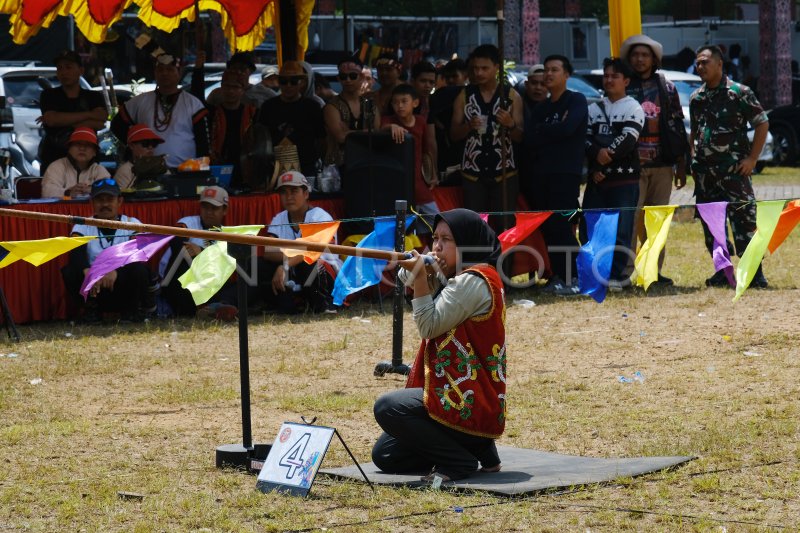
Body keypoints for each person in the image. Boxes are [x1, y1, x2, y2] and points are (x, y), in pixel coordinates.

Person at [371, 208, 506, 482]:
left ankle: (459, 463)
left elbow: (429, 325)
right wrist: (416, 268)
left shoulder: (473, 280)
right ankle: (478, 446)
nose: (437, 246)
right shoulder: (464, 275)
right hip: (462, 390)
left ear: (467, 242)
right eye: (435, 238)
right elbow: (407, 280)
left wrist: (421, 277)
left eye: (447, 239)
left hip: (468, 397)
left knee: (387, 407)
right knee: (385, 454)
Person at [690, 45, 770, 288]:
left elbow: (762, 123)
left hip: (734, 172)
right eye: (698, 63)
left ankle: (754, 273)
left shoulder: (739, 92)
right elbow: (694, 131)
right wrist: (693, 157)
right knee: (712, 228)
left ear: (719, 64)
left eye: (705, 62)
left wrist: (752, 159)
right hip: (705, 176)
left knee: (745, 222)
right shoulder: (697, 98)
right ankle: (722, 271)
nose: (700, 67)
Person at [621, 34, 688, 286]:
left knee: (657, 222)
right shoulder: (622, 84)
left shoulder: (667, 87)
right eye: (635, 55)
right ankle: (627, 273)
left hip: (662, 166)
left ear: (654, 59)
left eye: (645, 55)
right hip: (631, 167)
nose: (639, 59)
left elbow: (677, 125)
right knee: (630, 219)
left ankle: (653, 273)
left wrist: (681, 164)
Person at [582, 58, 645, 292]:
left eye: (614, 76)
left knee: (622, 230)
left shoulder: (633, 108)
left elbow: (629, 139)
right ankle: (594, 274)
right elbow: (585, 139)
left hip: (624, 181)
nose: (609, 80)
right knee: (591, 227)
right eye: (606, 75)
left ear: (626, 81)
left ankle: (617, 276)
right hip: (597, 181)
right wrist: (596, 161)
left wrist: (603, 158)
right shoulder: (593, 108)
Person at [529, 54, 588, 292]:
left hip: (566, 174)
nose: (549, 74)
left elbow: (568, 128)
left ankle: (574, 278)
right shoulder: (541, 107)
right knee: (549, 227)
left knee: (562, 226)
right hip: (542, 176)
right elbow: (533, 137)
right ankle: (559, 276)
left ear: (567, 75)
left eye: (555, 69)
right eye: (546, 70)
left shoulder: (576, 100)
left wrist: (547, 131)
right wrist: (552, 130)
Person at [61, 179, 158, 323]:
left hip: (122, 283)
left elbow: (138, 254)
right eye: (100, 200)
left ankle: (132, 311)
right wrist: (88, 272)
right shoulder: (82, 224)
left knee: (139, 269)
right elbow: (76, 253)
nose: (105, 204)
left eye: (110, 199)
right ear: (92, 203)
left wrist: (116, 271)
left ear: (120, 201)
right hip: (95, 286)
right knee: (69, 270)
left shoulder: (132, 223)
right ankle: (90, 310)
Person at [451, 44, 523, 233]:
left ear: (496, 68)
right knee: (474, 225)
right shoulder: (464, 96)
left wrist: (510, 124)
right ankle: (476, 263)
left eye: (484, 68)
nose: (479, 73)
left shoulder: (512, 95)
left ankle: (505, 263)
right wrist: (468, 127)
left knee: (505, 227)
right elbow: (453, 134)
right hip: (472, 173)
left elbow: (522, 137)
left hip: (505, 171)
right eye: (475, 68)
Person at [259, 171, 341, 313]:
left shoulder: (320, 216)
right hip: (294, 273)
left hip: (326, 275)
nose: (289, 197)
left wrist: (285, 264)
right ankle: (286, 305)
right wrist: (293, 257)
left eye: (294, 191)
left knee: (312, 263)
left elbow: (312, 251)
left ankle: (325, 305)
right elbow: (268, 251)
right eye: (284, 192)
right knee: (258, 265)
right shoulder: (280, 218)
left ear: (306, 194)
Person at [112, 53, 209, 169]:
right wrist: (135, 144)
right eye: (160, 69)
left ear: (179, 73)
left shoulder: (193, 103)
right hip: (148, 170)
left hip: (185, 172)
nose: (165, 73)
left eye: (170, 69)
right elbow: (116, 125)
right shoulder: (139, 102)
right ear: (155, 73)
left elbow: (202, 142)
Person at [158, 186, 238, 320]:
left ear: (225, 210)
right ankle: (205, 308)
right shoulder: (188, 222)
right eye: (205, 207)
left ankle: (213, 308)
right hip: (175, 283)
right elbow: (177, 241)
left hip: (207, 286)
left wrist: (201, 252)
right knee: (184, 253)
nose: (209, 212)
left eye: (214, 208)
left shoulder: (228, 234)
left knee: (243, 278)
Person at [37, 50, 107, 174]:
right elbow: (52, 120)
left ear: (81, 70)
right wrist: (89, 115)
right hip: (54, 157)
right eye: (60, 68)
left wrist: (63, 120)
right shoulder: (49, 95)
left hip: (87, 160)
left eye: (69, 67)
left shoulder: (93, 96)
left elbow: (100, 122)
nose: (64, 72)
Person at [258, 61, 326, 182]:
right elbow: (261, 138)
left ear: (302, 83)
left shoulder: (312, 107)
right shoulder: (268, 107)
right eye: (283, 81)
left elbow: (321, 139)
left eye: (293, 81)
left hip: (306, 167)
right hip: (275, 168)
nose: (288, 86)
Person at [381, 84, 439, 219]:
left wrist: (432, 173)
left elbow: (427, 150)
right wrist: (391, 127)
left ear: (415, 103)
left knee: (436, 220)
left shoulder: (420, 121)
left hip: (419, 183)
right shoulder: (389, 120)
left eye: (404, 101)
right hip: (397, 182)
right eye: (395, 102)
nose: (399, 106)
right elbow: (381, 128)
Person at [323, 59, 379, 170]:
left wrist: (348, 133)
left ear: (362, 77)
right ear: (339, 78)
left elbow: (377, 135)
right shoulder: (331, 106)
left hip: (367, 165)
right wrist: (367, 132)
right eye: (343, 77)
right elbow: (340, 137)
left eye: (353, 76)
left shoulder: (370, 105)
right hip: (338, 168)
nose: (348, 80)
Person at [208, 70, 259, 188]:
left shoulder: (253, 114)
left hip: (245, 168)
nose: (230, 91)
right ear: (221, 88)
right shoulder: (211, 114)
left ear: (243, 90)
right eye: (227, 86)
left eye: (235, 87)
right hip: (218, 167)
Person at [41, 127, 110, 198]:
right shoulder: (56, 166)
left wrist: (93, 190)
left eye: (88, 145)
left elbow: (109, 191)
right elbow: (46, 192)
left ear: (95, 152)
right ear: (69, 148)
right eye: (78, 144)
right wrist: (68, 192)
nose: (82, 148)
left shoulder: (99, 170)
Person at [519, 63, 548, 209]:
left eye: (543, 84)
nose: (538, 88)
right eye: (534, 83)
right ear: (526, 83)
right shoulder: (517, 104)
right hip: (523, 171)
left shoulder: (553, 106)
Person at [113, 124, 165, 190]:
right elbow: (124, 198)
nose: (150, 147)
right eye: (145, 143)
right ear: (131, 146)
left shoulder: (160, 166)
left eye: (154, 144)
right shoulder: (124, 171)